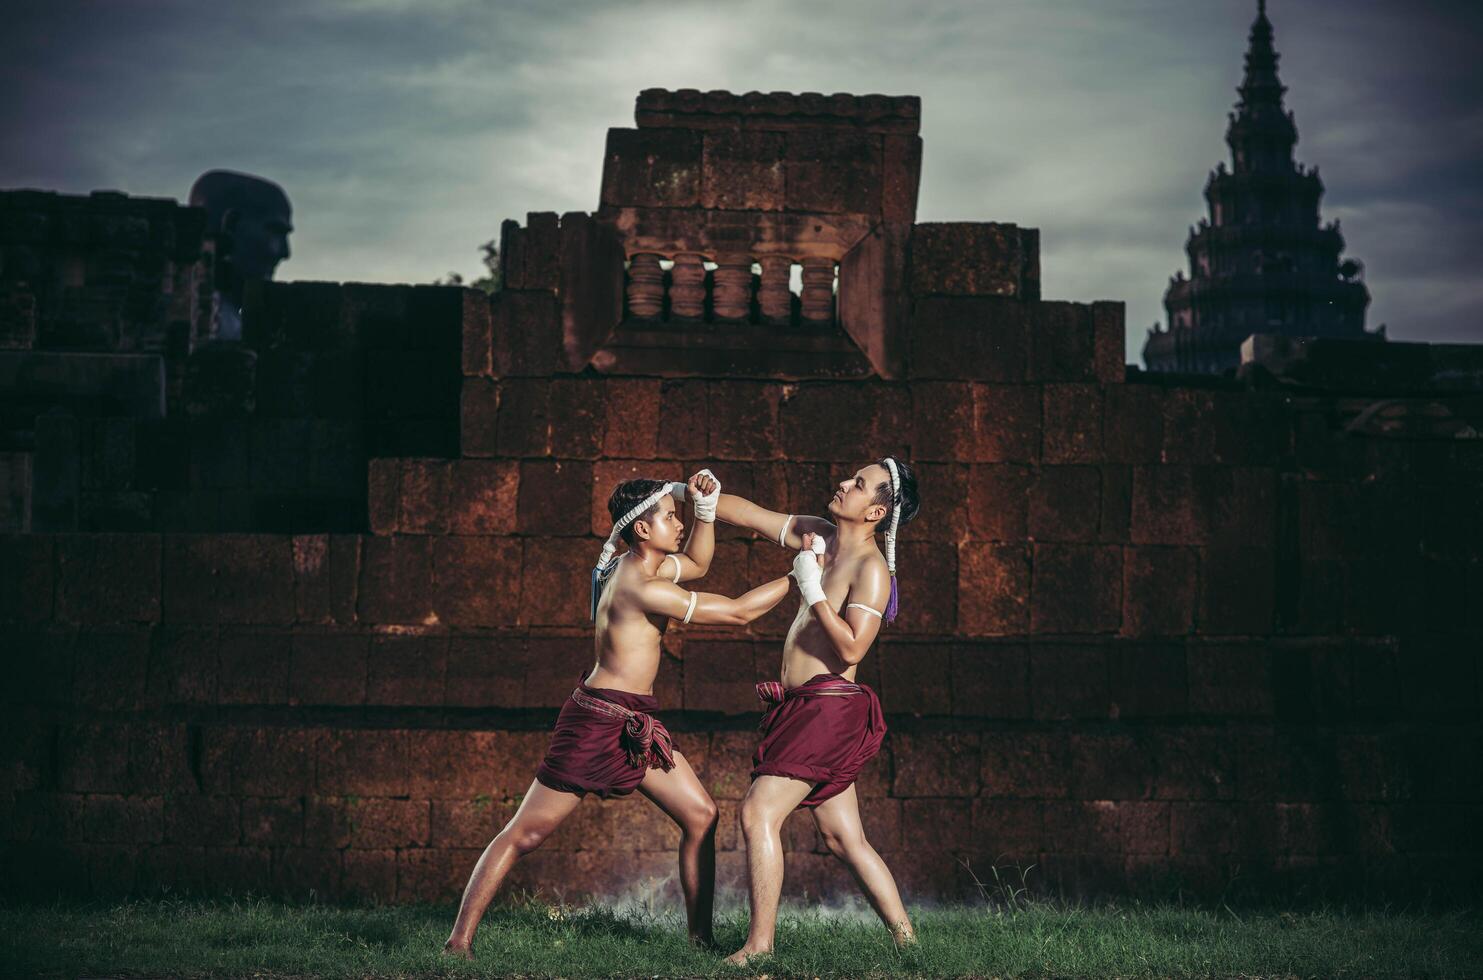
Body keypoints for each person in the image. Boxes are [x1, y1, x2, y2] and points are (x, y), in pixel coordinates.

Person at [443, 470, 791, 958]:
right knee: (525, 833)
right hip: (596, 722)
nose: (679, 523)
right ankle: (457, 943)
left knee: (700, 814)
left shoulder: (641, 565)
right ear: (643, 530)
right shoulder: (638, 585)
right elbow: (737, 613)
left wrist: (705, 511)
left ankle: (700, 941)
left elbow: (698, 562)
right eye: (672, 517)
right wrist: (801, 575)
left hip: (634, 718)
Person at [713, 458, 921, 964]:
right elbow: (751, 515)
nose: (844, 483)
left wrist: (812, 588)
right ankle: (910, 946)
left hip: (827, 710)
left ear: (876, 510)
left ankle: (759, 948)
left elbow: (852, 650)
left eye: (859, 484)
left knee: (758, 812)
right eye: (852, 475)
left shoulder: (871, 571)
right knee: (843, 836)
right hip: (803, 707)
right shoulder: (820, 533)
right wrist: (697, 495)